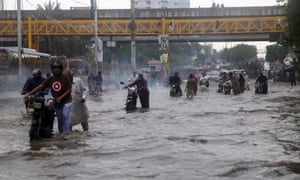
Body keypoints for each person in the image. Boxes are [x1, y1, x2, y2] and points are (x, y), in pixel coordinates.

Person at [24, 61, 72, 133]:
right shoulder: (50, 79)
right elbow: (41, 86)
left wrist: (61, 97)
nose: (56, 70)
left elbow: (69, 89)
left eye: (58, 68)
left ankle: (67, 133)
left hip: (66, 101)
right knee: (60, 119)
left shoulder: (65, 78)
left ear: (61, 69)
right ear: (52, 69)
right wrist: (29, 94)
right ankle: (62, 134)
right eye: (54, 68)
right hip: (57, 103)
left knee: (65, 116)